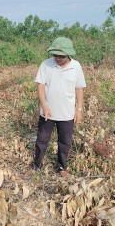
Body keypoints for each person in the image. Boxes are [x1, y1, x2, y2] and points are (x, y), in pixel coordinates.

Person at [33, 36, 86, 178]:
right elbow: (40, 85)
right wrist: (44, 106)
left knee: (65, 142)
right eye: (55, 55)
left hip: (67, 113)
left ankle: (62, 167)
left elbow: (79, 88)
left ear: (68, 54)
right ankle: (36, 166)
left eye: (61, 56)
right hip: (47, 113)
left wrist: (79, 110)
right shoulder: (45, 64)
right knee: (42, 140)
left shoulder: (76, 66)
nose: (57, 58)